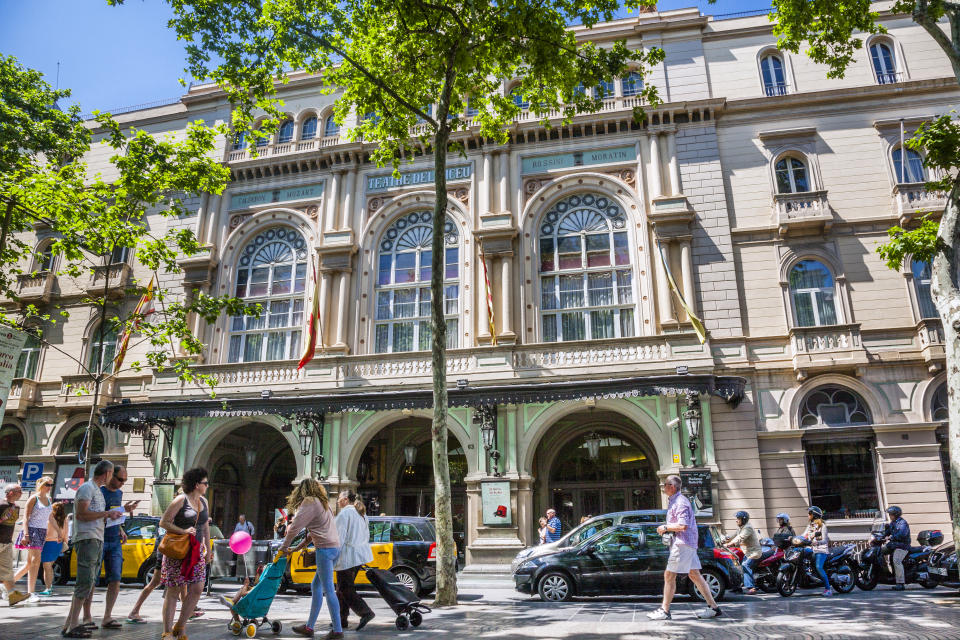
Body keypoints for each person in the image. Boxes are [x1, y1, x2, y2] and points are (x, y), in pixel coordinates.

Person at [61, 460, 124, 639]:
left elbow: (96, 515)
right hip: (87, 539)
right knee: (85, 582)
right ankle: (73, 625)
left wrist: (114, 517)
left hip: (97, 538)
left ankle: (69, 624)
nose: (113, 478)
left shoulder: (97, 490)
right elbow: (81, 514)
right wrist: (106, 514)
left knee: (87, 582)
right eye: (112, 474)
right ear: (106, 473)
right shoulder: (87, 488)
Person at [647, 475, 722, 621]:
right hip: (687, 543)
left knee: (669, 575)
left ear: (673, 487)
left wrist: (665, 527)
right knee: (695, 575)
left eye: (666, 484)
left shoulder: (680, 502)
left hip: (683, 544)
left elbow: (682, 525)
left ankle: (665, 611)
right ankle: (713, 608)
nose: (663, 487)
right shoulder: (675, 501)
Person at [278, 478, 342, 639]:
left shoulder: (309, 501)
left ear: (303, 490)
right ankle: (309, 627)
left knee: (328, 590)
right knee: (316, 585)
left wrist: (284, 547)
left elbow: (294, 529)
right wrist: (295, 549)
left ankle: (337, 630)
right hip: (335, 548)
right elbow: (311, 536)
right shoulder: (323, 503)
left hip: (325, 550)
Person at [158, 467, 212, 640]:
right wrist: (183, 531)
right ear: (197, 484)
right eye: (205, 483)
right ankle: (167, 631)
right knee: (173, 590)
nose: (207, 485)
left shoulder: (204, 501)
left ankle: (180, 624)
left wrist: (209, 550)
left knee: (197, 588)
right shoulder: (180, 500)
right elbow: (164, 522)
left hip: (196, 551)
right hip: (178, 550)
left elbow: (205, 527)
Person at [98, 464, 138, 629]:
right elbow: (97, 516)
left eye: (125, 480)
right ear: (110, 476)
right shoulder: (100, 492)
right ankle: (86, 616)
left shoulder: (119, 494)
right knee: (91, 580)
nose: (122, 483)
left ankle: (107, 616)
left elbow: (115, 515)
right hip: (99, 539)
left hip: (114, 540)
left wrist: (121, 529)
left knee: (115, 578)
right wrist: (122, 510)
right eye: (120, 479)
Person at [334, 490, 374, 632]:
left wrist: (333, 556)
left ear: (345, 499)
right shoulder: (362, 514)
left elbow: (339, 538)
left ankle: (365, 612)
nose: (338, 501)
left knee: (345, 588)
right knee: (341, 589)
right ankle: (341, 619)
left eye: (339, 498)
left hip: (347, 557)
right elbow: (367, 536)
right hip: (358, 556)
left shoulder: (345, 514)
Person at [13, 475, 54, 603]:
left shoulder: (49, 500)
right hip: (32, 530)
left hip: (42, 531)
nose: (49, 487)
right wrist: (26, 534)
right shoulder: (33, 498)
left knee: (29, 564)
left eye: (51, 485)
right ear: (41, 485)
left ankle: (6, 585)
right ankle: (31, 593)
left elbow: (50, 518)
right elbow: (25, 517)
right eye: (47, 484)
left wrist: (59, 533)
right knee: (36, 561)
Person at [0, 482, 29, 607]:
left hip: (6, 543)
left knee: (8, 571)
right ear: (10, 493)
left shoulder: (16, 507)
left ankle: (13, 595)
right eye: (19, 491)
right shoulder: (1, 505)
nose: (21, 493)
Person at [721, 510, 761, 595]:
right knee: (737, 566)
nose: (736, 520)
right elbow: (733, 536)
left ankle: (752, 587)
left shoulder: (748, 528)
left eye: (738, 519)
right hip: (747, 553)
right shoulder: (740, 528)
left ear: (743, 519)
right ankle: (737, 587)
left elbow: (740, 537)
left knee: (745, 565)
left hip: (754, 552)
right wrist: (723, 541)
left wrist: (729, 544)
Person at [39, 501, 68, 596]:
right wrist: (65, 543)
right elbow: (66, 534)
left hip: (48, 543)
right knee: (49, 566)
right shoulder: (65, 519)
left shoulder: (50, 518)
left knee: (46, 567)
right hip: (58, 544)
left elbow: (45, 532)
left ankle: (48, 588)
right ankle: (49, 587)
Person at [802, 506, 832, 597]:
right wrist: (795, 539)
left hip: (821, 550)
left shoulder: (822, 526)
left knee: (819, 567)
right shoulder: (810, 526)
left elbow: (825, 540)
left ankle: (828, 589)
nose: (808, 515)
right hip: (812, 550)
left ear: (814, 515)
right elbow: (804, 535)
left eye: (810, 513)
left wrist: (816, 542)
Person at [883, 505, 910, 591]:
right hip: (894, 545)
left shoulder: (903, 523)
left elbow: (902, 534)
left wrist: (891, 537)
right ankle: (886, 574)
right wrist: (880, 535)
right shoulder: (893, 523)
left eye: (891, 514)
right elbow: (887, 532)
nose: (889, 516)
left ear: (895, 514)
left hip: (902, 546)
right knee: (879, 551)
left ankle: (900, 583)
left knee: (896, 560)